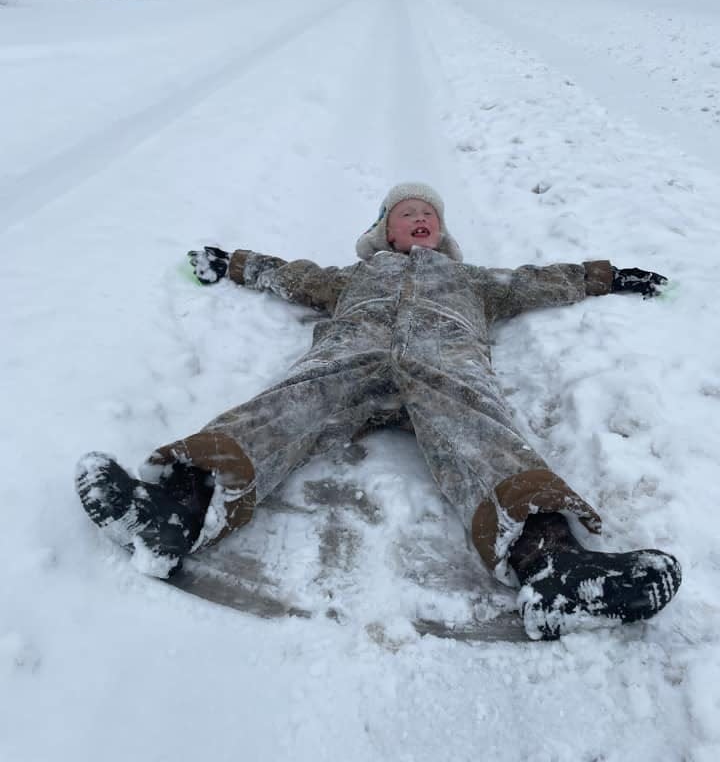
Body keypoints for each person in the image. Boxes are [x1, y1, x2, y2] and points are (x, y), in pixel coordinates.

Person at [76, 182, 681, 640]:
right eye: (407, 214)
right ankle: (176, 511)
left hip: (445, 355)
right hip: (353, 348)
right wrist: (233, 262)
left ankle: (556, 572)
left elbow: (543, 279)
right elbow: (291, 275)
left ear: (441, 235)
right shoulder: (352, 278)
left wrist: (609, 277)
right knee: (289, 401)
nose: (421, 219)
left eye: (430, 216)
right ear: (386, 233)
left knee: (482, 427)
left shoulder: (476, 280)